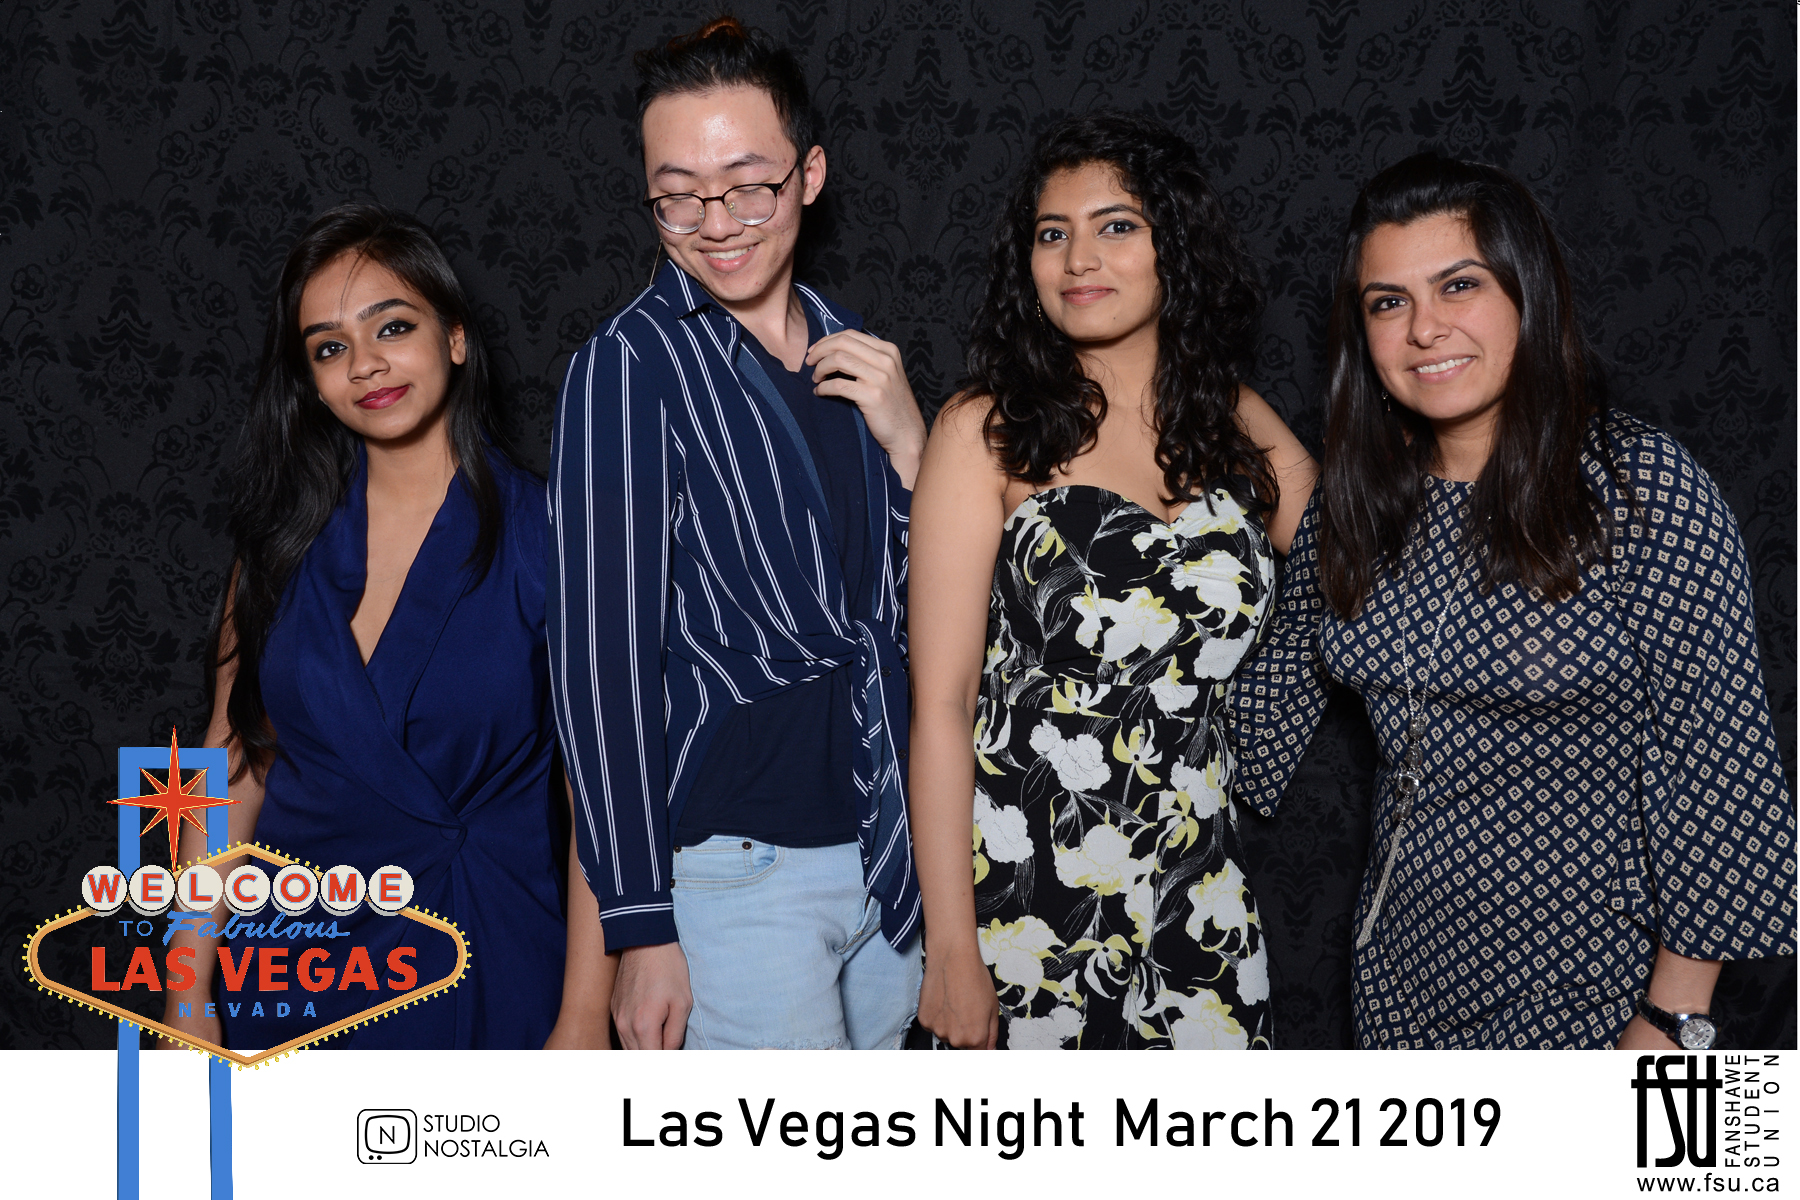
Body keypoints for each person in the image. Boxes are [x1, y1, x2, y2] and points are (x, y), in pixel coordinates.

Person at [1233, 153, 1795, 1049]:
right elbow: (1252, 724)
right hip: (1399, 979)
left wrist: (1670, 1018)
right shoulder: (1360, 504)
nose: (1426, 328)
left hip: (1599, 995)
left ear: (1526, 294)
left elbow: (1721, 771)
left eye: (1459, 285)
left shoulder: (1637, 487)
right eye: (1388, 302)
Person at [549, 17, 928, 1050]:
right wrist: (639, 923)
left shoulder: (854, 347)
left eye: (749, 186)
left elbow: (925, 616)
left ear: (810, 175)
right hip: (736, 870)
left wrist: (914, 449)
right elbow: (600, 670)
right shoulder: (628, 367)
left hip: (887, 858)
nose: (715, 223)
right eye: (677, 194)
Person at [907, 112, 1317, 1049]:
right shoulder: (985, 429)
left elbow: (1365, 564)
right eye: (1053, 233)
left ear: (1177, 246)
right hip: (1025, 885)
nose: (1079, 258)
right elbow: (941, 705)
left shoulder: (1233, 420)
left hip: (1197, 882)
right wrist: (952, 949)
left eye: (1116, 226)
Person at [158, 204, 612, 1051]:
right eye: (329, 348)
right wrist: (186, 990)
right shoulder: (276, 548)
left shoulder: (554, 535)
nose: (365, 363)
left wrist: (584, 1015)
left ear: (455, 338)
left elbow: (599, 797)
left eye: (392, 326)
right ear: (311, 382)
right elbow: (231, 766)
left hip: (481, 953)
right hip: (287, 967)